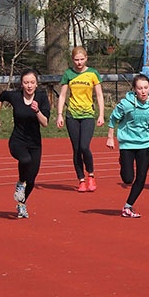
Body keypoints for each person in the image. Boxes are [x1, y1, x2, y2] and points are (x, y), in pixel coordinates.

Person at [0, 68, 50, 219]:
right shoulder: (15, 96)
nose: (29, 85)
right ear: (22, 84)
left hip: (35, 142)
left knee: (31, 179)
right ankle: (20, 183)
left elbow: (45, 123)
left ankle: (22, 204)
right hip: (17, 141)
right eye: (26, 82)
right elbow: (1, 96)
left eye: (32, 82)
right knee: (25, 160)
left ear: (37, 84)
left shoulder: (42, 97)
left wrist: (37, 111)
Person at [106, 74, 149, 218]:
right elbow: (113, 118)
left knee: (141, 178)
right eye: (140, 88)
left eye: (146, 88)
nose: (143, 91)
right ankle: (123, 162)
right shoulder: (126, 104)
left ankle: (128, 206)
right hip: (127, 144)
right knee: (128, 179)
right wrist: (110, 137)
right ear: (134, 89)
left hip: (144, 144)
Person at [56, 45, 106, 192]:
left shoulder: (93, 73)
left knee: (85, 146)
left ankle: (91, 175)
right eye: (76, 60)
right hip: (72, 115)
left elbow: (99, 95)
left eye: (81, 59)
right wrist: (59, 114)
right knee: (76, 149)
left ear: (86, 58)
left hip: (87, 115)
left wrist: (101, 114)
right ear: (72, 60)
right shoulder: (68, 74)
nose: (79, 62)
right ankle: (81, 179)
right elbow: (63, 95)